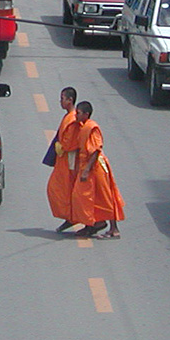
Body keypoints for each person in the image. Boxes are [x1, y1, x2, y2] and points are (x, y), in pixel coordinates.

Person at [68, 101, 125, 239]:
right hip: (85, 166)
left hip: (96, 167)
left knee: (105, 196)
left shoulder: (92, 128)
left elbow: (95, 151)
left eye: (79, 113)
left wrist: (87, 170)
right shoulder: (83, 126)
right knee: (85, 197)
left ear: (86, 114)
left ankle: (114, 228)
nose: (76, 115)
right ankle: (93, 223)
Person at [46, 87, 81, 233]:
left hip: (69, 160)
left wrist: (61, 147)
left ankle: (73, 217)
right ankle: (70, 216)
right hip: (64, 159)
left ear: (70, 100)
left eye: (62, 98)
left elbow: (72, 142)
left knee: (63, 189)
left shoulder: (73, 118)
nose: (60, 101)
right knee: (60, 189)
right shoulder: (69, 116)